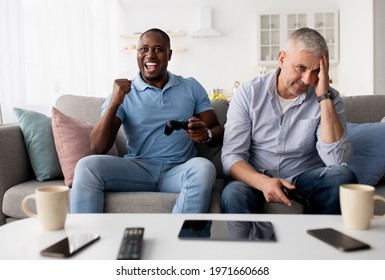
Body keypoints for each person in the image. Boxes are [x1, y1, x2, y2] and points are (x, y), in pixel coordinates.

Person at [70, 28, 224, 213]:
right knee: (86, 166)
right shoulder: (123, 93)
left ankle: (180, 238)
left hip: (179, 170)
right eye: (144, 49)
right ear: (137, 53)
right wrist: (114, 104)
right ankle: (86, 238)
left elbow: (217, 131)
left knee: (204, 167)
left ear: (169, 54)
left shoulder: (190, 87)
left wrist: (205, 134)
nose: (150, 55)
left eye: (158, 49)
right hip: (138, 169)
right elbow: (97, 147)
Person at [221, 27, 357, 214]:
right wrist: (263, 183)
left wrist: (324, 97)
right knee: (233, 193)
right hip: (257, 179)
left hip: (303, 179)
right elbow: (231, 156)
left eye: (316, 70)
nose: (308, 79)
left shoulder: (329, 98)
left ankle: (317, 240)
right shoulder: (249, 93)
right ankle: (249, 244)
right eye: (301, 68)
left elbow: (337, 159)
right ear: (282, 59)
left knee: (342, 176)